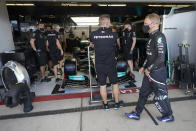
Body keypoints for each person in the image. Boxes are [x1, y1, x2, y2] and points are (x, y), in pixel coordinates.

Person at [125, 13, 174, 122]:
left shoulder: (160, 36)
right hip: (149, 72)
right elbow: (150, 56)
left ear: (155, 23)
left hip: (157, 73)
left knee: (160, 97)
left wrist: (149, 68)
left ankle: (169, 115)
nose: (144, 26)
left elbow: (161, 58)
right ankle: (137, 113)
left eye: (146, 24)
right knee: (143, 93)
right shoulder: (151, 36)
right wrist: (143, 66)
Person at [90, 14, 121, 110]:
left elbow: (92, 45)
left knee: (102, 85)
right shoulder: (114, 34)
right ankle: (116, 104)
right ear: (107, 23)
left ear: (100, 22)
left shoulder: (93, 34)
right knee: (114, 84)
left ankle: (106, 105)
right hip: (111, 63)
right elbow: (118, 46)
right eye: (109, 22)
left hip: (99, 64)